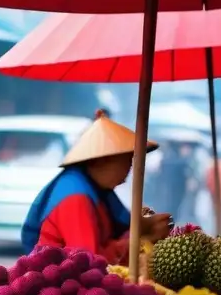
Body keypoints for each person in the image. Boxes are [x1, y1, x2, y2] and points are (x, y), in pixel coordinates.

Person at [21, 109, 171, 263]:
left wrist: (145, 226)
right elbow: (89, 262)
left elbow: (114, 234)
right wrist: (140, 241)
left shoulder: (97, 191)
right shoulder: (75, 198)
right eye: (127, 160)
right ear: (101, 160)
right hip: (64, 282)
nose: (129, 169)